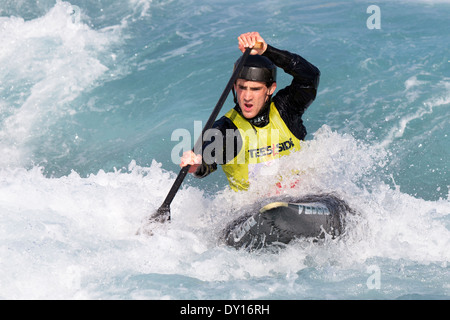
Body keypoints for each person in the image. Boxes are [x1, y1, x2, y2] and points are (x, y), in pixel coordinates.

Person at [180, 32, 320, 192]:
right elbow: (204, 163)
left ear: (270, 89)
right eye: (242, 87)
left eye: (255, 89)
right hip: (255, 209)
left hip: (304, 196)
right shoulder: (226, 129)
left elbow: (310, 76)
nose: (247, 96)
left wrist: (267, 50)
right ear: (234, 87)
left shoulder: (286, 109)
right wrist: (195, 163)